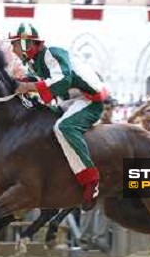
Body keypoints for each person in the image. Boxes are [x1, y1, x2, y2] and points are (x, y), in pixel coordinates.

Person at [12, 23, 107, 210]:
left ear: (25, 44)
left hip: (89, 100)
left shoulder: (52, 53)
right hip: (72, 99)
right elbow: (37, 81)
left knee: (63, 127)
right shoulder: (34, 61)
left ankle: (91, 180)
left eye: (15, 44)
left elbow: (63, 80)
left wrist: (28, 87)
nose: (13, 48)